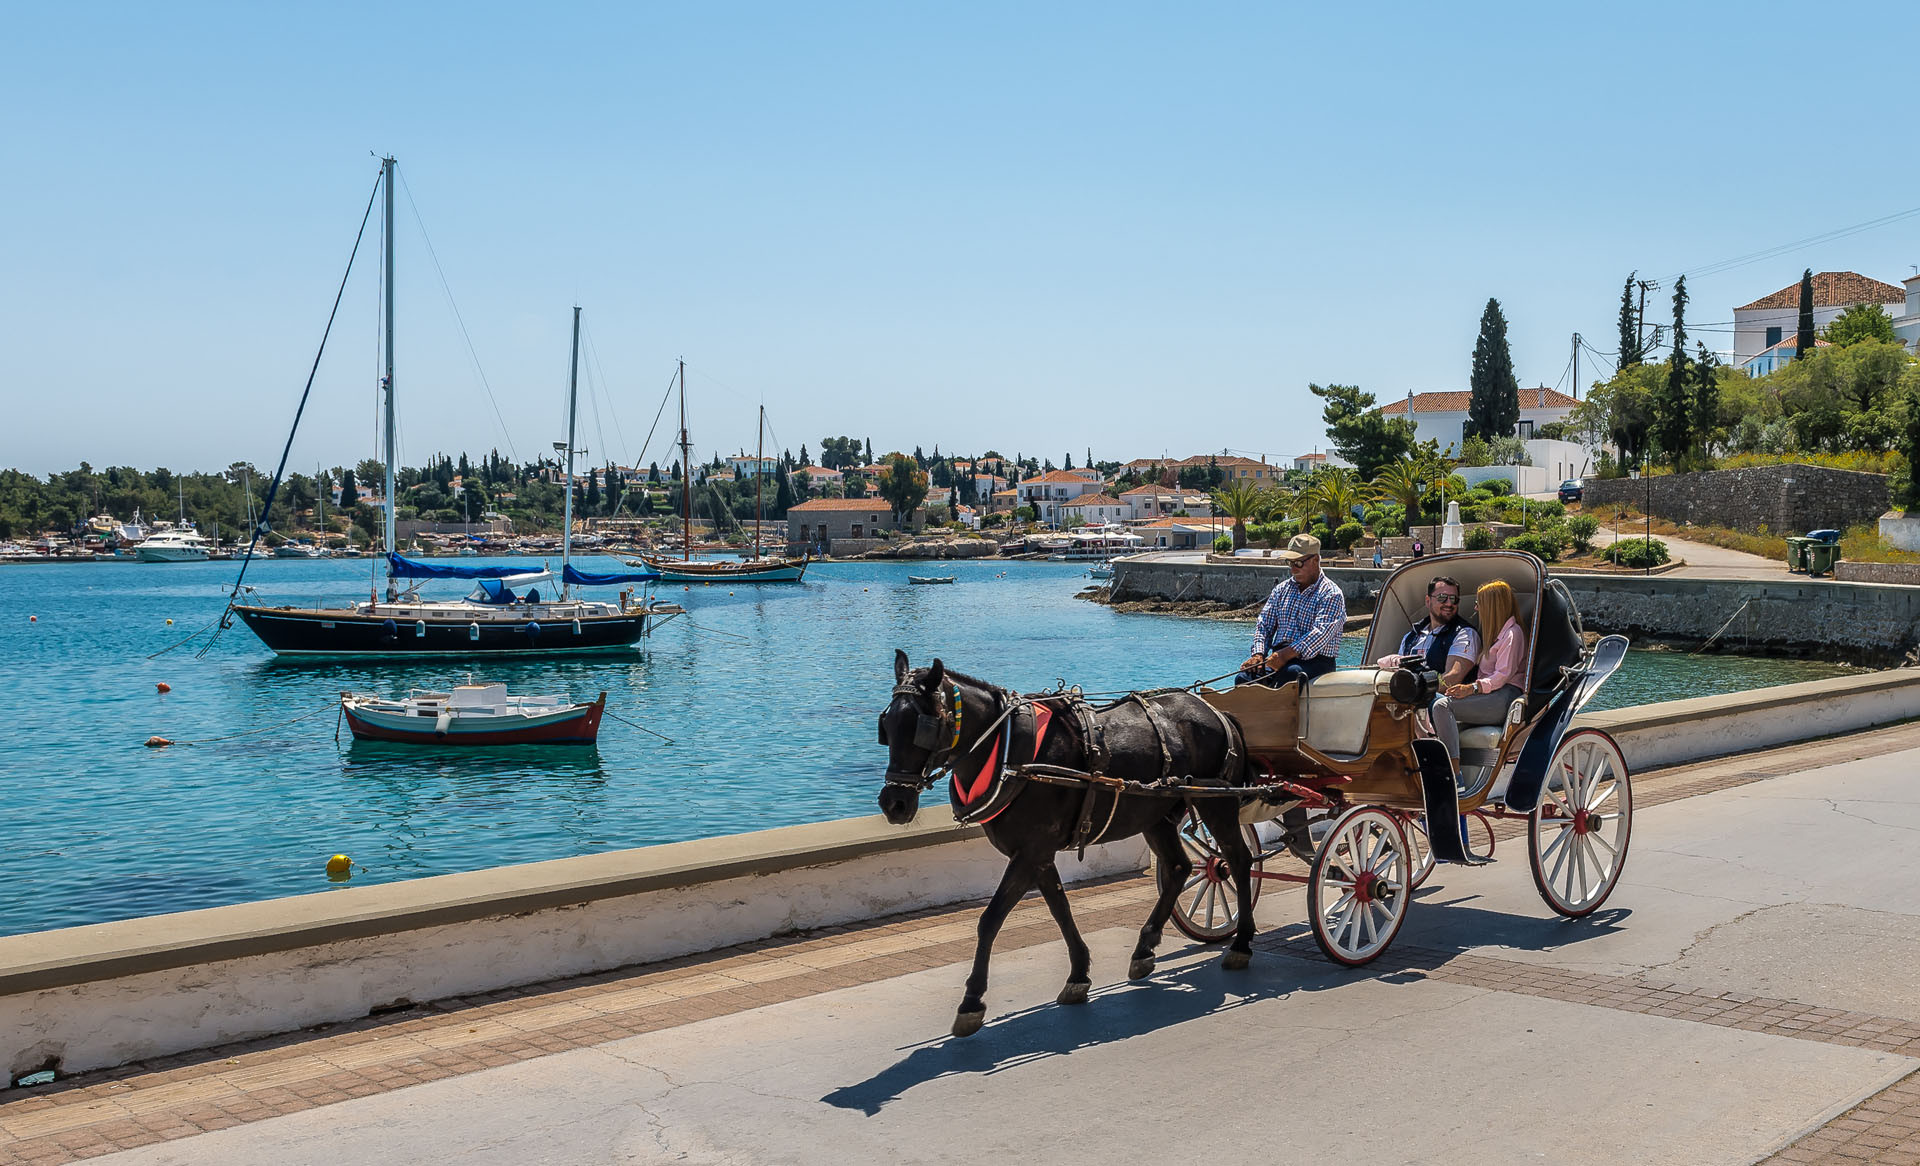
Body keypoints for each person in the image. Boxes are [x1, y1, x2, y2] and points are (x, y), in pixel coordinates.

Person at [1429, 579, 1527, 767]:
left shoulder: (1513, 635)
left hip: (1503, 697)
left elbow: (1501, 676)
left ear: (1492, 606)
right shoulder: (1496, 634)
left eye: (1479, 603)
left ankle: (1454, 773)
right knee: (1437, 709)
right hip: (1491, 696)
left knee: (1442, 706)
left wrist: (1472, 688)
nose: (1476, 608)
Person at [1238, 533, 1347, 687]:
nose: (1293, 569)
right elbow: (1264, 624)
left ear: (1315, 560)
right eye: (1290, 563)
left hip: (1315, 660)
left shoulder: (1331, 594)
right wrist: (1259, 654)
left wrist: (1286, 654)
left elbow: (1320, 633)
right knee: (1244, 678)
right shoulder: (1281, 590)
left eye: (1299, 563)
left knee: (1291, 674)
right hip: (1279, 657)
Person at [1374, 576, 1478, 695]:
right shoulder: (1410, 637)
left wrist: (1417, 691)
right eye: (1442, 598)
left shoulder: (1465, 634)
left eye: (1454, 599)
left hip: (1442, 703)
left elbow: (1452, 678)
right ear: (1428, 601)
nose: (1449, 603)